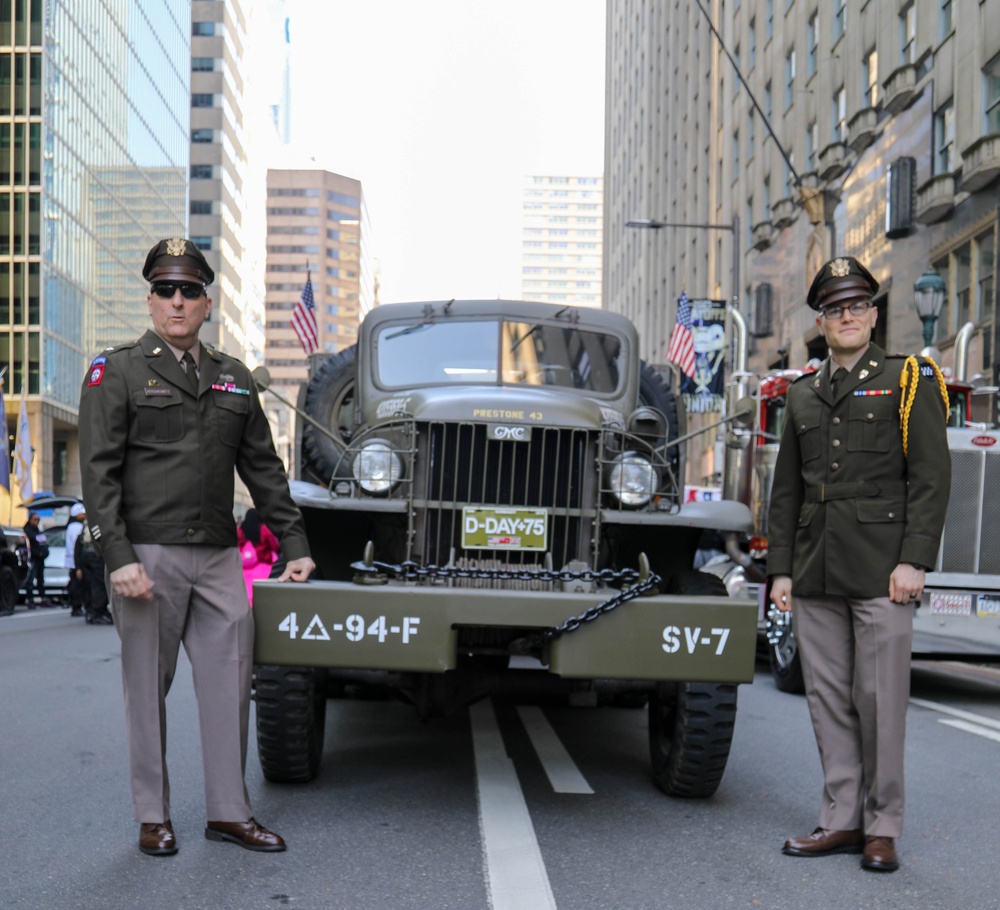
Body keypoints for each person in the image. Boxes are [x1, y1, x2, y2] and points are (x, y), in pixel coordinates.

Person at [78, 238, 315, 857]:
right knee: (146, 692)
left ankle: (228, 813)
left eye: (188, 290)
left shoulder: (233, 378)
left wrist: (294, 541)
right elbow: (98, 474)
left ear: (207, 302)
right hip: (146, 557)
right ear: (151, 301)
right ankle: (153, 815)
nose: (176, 301)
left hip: (217, 557)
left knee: (230, 682)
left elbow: (263, 469)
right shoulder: (118, 370)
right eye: (164, 289)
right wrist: (118, 556)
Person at [767, 256, 951, 874]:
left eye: (858, 306)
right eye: (835, 309)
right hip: (816, 571)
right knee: (827, 700)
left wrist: (914, 560)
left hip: (882, 570)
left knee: (879, 700)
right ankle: (841, 819)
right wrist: (782, 571)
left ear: (874, 314)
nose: (848, 317)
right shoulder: (800, 394)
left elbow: (930, 478)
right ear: (821, 321)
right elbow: (786, 492)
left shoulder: (908, 380)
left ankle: (882, 827)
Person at [74, 511, 114, 625]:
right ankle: (97, 612)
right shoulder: (99, 520)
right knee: (99, 585)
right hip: (94, 555)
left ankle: (94, 611)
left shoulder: (88, 522)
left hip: (86, 555)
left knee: (91, 584)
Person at [236, 508, 281, 604]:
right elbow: (275, 545)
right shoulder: (264, 529)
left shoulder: (240, 529)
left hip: (244, 568)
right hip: (263, 567)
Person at [22, 513, 52, 608]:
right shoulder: (27, 531)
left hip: (41, 559)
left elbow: (43, 543)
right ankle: (30, 599)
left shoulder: (38, 531)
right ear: (30, 520)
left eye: (38, 519)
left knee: (40, 580)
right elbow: (28, 546)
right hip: (33, 559)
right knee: (31, 580)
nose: (36, 521)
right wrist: (37, 553)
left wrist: (45, 552)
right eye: (34, 519)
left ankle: (43, 598)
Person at [64, 503, 87, 617]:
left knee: (76, 584)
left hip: (73, 560)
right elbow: (76, 546)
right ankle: (76, 606)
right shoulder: (76, 527)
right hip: (75, 560)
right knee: (77, 585)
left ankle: (76, 606)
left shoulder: (71, 526)